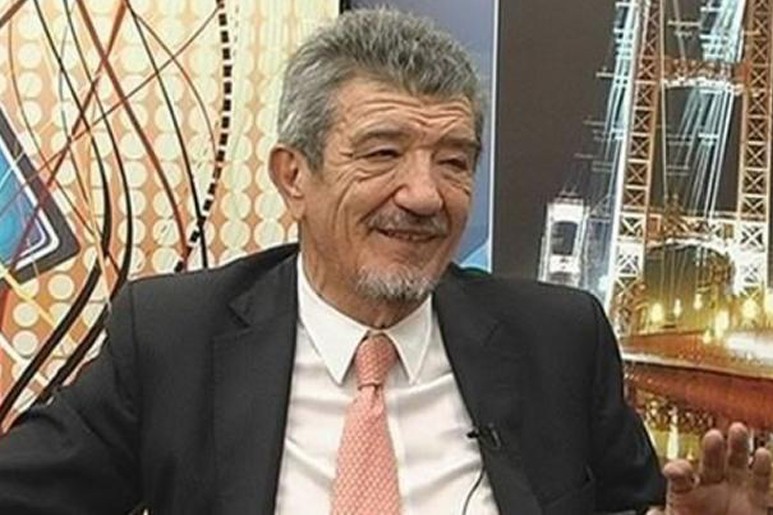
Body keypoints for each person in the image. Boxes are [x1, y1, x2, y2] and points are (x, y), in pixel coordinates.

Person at [0, 8, 769, 515]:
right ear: (293, 176)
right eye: (381, 153)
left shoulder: (558, 338)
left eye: (454, 160)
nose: (425, 194)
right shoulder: (173, 333)